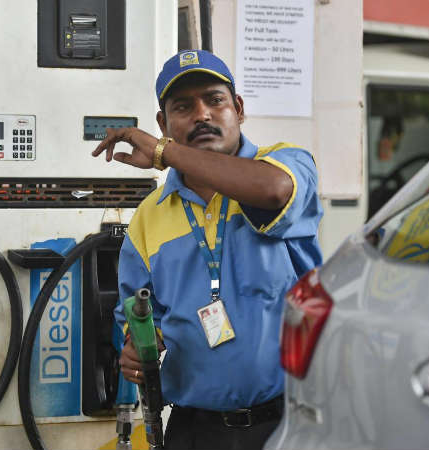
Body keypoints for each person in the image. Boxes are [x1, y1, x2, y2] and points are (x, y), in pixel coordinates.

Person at [91, 49, 323, 450]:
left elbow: (273, 191)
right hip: (195, 430)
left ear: (239, 109)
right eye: (183, 107)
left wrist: (163, 152)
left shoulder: (284, 164)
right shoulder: (150, 215)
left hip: (290, 424)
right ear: (163, 123)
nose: (202, 115)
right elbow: (139, 314)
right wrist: (137, 346)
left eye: (215, 100)